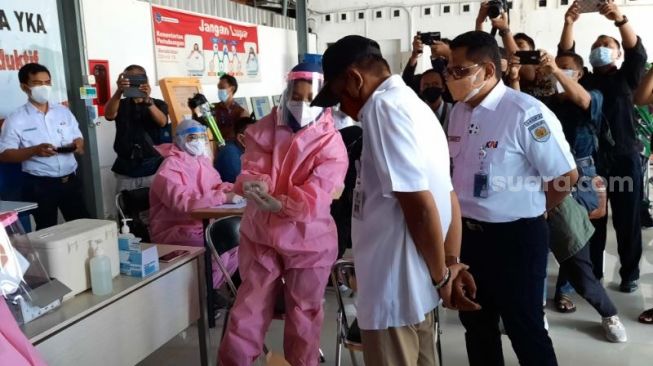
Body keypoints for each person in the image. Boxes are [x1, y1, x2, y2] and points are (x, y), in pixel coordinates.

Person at [311, 35, 479, 366]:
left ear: (355, 78)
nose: (341, 107)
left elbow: (419, 205)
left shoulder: (382, 109)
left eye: (338, 96)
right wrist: (447, 261)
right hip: (414, 285)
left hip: (394, 289)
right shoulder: (416, 106)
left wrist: (442, 276)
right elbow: (447, 196)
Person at [446, 31, 578, 366]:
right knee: (476, 325)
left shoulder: (524, 112)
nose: (450, 77)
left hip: (515, 239)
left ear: (488, 70)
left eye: (459, 70)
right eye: (448, 69)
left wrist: (536, 210)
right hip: (468, 238)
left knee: (525, 328)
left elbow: (565, 176)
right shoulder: (458, 113)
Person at [218, 62, 348, 366]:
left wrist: (283, 204)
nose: (302, 105)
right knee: (249, 309)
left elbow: (320, 189)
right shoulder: (264, 128)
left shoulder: (331, 141)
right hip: (261, 233)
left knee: (304, 314)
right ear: (286, 93)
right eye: (296, 96)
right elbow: (252, 167)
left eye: (309, 98)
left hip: (308, 239)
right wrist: (255, 186)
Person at [559, 0, 648, 292]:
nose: (601, 47)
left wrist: (620, 20)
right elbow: (566, 58)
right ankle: (592, 273)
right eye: (597, 44)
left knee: (627, 218)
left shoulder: (627, 76)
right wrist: (569, 21)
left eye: (607, 44)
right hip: (592, 162)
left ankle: (630, 272)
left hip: (624, 157)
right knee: (593, 217)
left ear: (618, 52)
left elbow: (637, 53)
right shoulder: (586, 80)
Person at [539, 50, 627, 342]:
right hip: (539, 183)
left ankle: (608, 313)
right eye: (556, 70)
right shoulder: (546, 104)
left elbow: (584, 101)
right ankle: (536, 311)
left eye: (566, 70)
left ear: (579, 74)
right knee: (534, 256)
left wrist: (554, 67)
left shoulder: (593, 97)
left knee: (577, 257)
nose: (558, 74)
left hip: (576, 185)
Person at [149, 119, 240, 288]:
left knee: (236, 247)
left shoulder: (201, 161)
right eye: (192, 137)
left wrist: (234, 188)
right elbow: (183, 202)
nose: (198, 142)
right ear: (180, 140)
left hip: (201, 226)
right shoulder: (169, 168)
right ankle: (206, 296)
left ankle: (213, 291)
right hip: (175, 229)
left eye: (201, 137)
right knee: (219, 251)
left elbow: (214, 184)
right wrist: (222, 197)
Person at [0, 63, 89, 230]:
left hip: (70, 181)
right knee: (47, 232)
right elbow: (5, 154)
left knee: (84, 227)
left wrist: (78, 144)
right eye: (37, 83)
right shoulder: (16, 119)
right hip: (40, 185)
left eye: (47, 82)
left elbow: (78, 137)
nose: (44, 87)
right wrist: (34, 150)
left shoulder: (63, 112)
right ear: (24, 87)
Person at [104, 65, 170, 192]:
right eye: (130, 79)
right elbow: (109, 115)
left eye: (138, 79)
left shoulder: (158, 103)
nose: (134, 83)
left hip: (152, 166)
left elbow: (162, 122)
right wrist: (119, 91)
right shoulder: (120, 104)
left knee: (153, 209)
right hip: (125, 167)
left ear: (146, 82)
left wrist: (148, 101)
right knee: (126, 208)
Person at [214, 116, 255, 183]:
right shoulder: (230, 153)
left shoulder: (242, 151)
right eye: (254, 135)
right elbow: (240, 183)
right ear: (240, 138)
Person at [214, 74, 250, 141]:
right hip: (218, 148)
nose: (219, 90)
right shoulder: (215, 108)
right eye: (218, 88)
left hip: (234, 148)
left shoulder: (241, 112)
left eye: (222, 87)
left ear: (232, 89)